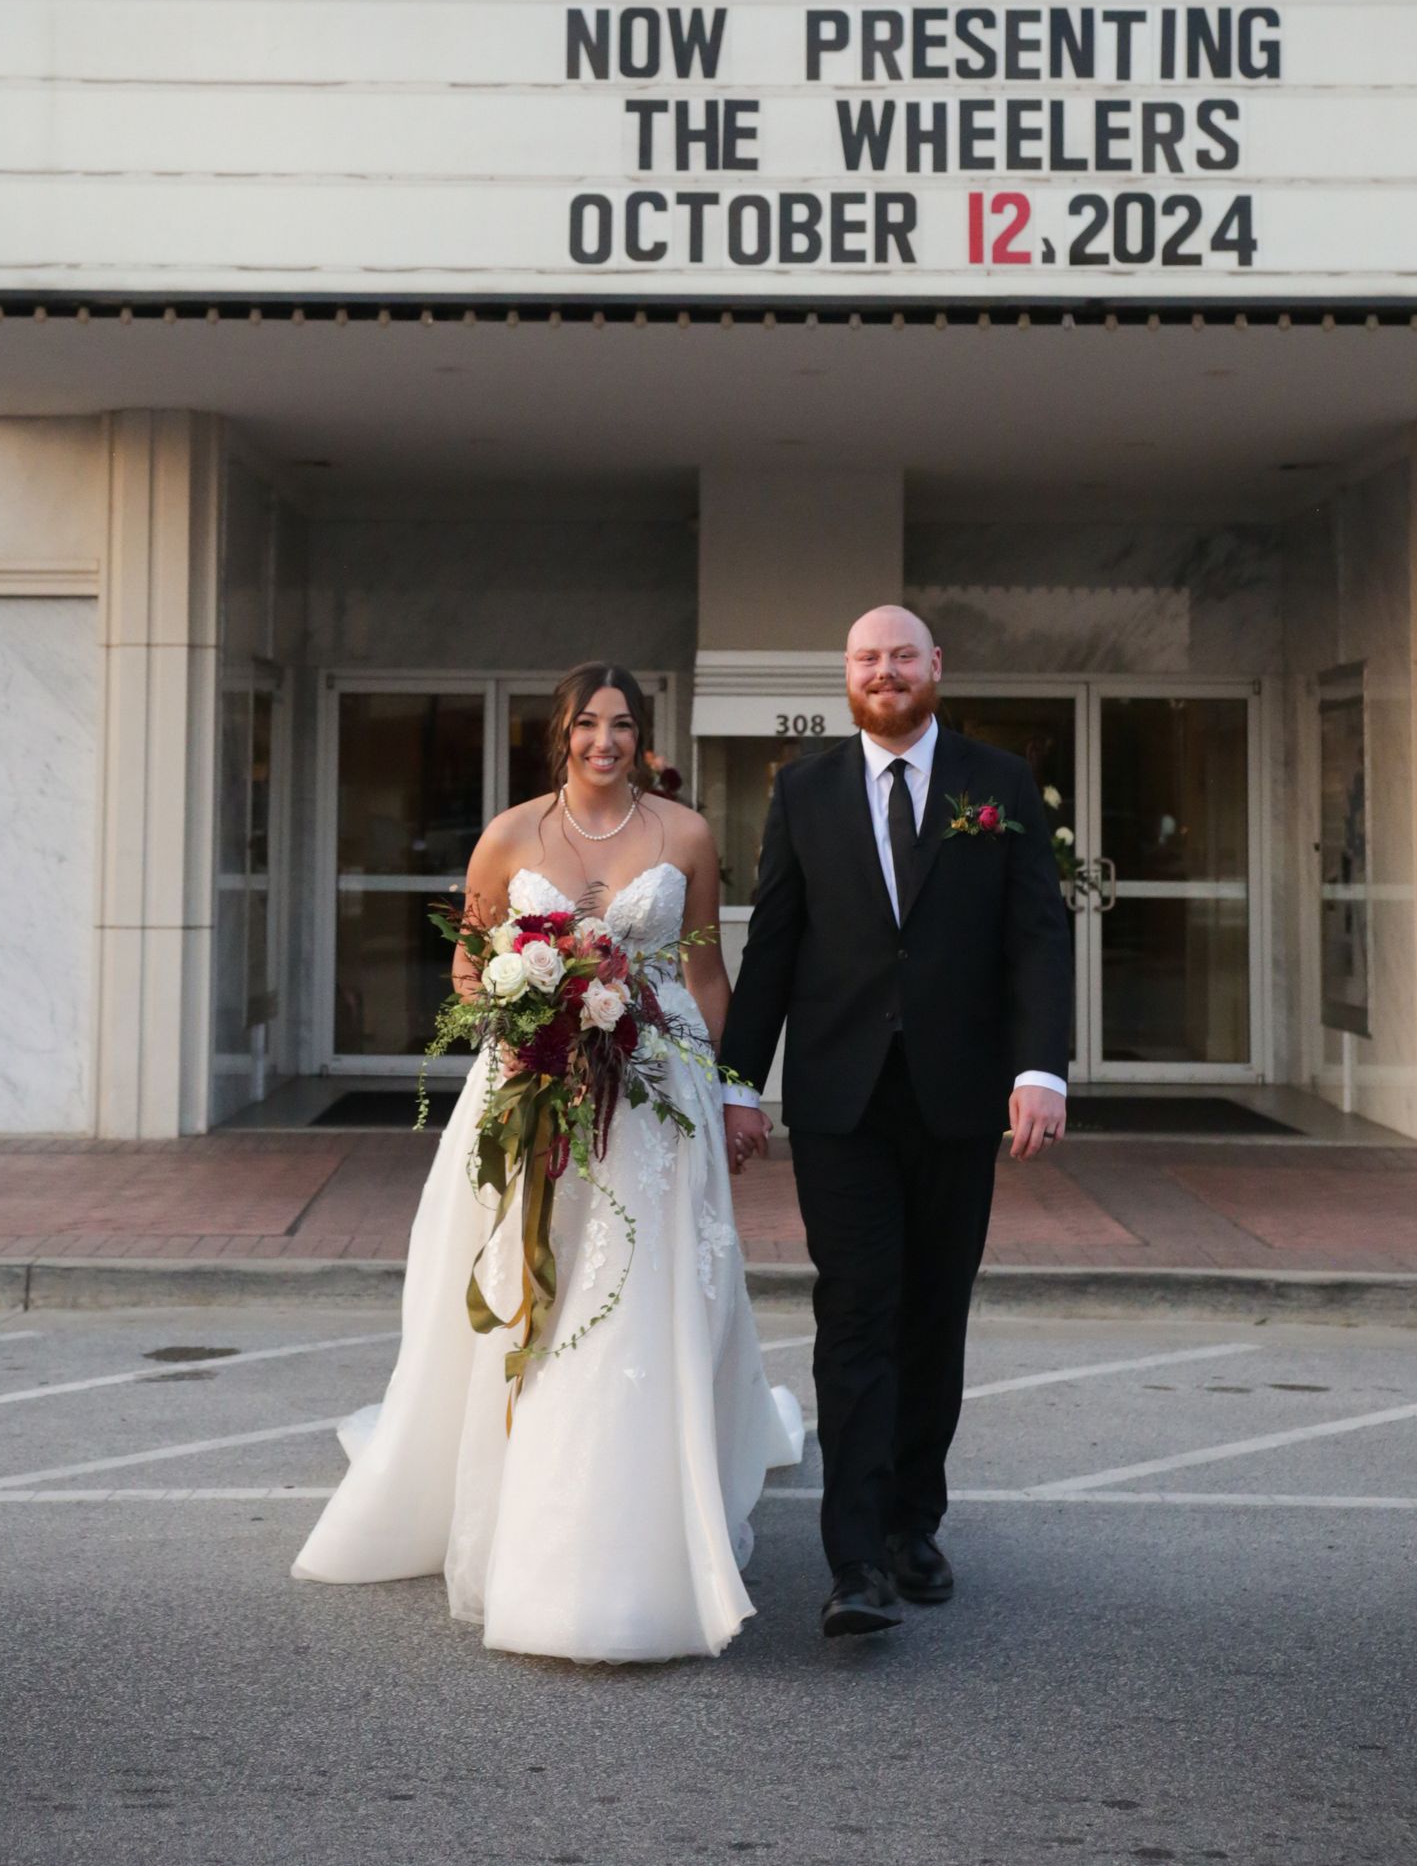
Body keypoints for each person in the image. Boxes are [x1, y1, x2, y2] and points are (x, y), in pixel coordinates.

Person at [292, 663, 802, 1663]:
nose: (604, 742)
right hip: (532, 1091)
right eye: (586, 725)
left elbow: (704, 973)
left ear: (644, 738)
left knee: (642, 1298)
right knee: (539, 1292)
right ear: (560, 735)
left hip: (657, 1098)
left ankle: (638, 1521)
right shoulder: (511, 833)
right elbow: (467, 962)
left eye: (621, 726)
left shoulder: (685, 836)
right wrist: (532, 1002)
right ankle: (531, 1503)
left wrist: (740, 1093)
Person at [722, 606, 1073, 1639]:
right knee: (859, 1314)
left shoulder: (999, 783)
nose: (885, 672)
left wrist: (1039, 1067)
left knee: (933, 1315)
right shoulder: (805, 790)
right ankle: (858, 1558)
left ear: (935, 669)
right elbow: (775, 943)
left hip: (962, 1100)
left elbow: (1037, 937)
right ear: (847, 676)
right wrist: (741, 1082)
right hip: (842, 1103)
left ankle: (919, 1521)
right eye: (867, 659)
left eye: (902, 657)